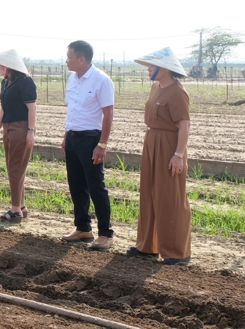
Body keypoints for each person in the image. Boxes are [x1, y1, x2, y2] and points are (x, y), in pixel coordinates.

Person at [128, 47, 192, 265]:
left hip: (169, 146)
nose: (149, 69)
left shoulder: (178, 92)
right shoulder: (156, 87)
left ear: (165, 68)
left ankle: (176, 251)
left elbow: (184, 126)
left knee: (170, 197)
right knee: (149, 192)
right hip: (152, 143)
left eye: (153, 66)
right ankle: (148, 245)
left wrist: (178, 155)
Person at [62, 40, 115, 251]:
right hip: (73, 138)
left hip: (91, 139)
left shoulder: (101, 81)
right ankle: (83, 228)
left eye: (70, 57)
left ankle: (105, 233)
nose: (67, 61)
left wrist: (102, 144)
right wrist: (66, 135)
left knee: (96, 186)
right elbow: (72, 109)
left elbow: (108, 114)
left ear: (81, 59)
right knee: (76, 184)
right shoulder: (72, 79)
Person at [0, 49, 37, 222]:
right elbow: (3, 108)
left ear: (9, 66)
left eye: (0, 65)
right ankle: (21, 205)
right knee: (13, 168)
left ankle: (15, 209)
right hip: (8, 127)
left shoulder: (26, 82)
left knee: (16, 168)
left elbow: (31, 108)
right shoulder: (6, 82)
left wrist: (31, 132)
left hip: (21, 127)